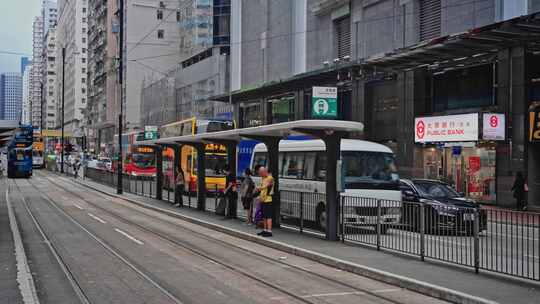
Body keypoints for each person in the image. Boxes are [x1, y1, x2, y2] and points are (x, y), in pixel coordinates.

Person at [256, 167, 274, 237]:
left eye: (261, 173)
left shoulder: (270, 178)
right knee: (264, 216)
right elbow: (262, 188)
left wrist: (259, 188)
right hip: (263, 199)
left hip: (268, 199)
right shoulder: (263, 178)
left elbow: (265, 186)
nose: (260, 175)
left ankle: (269, 231)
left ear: (264, 171)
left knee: (268, 216)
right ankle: (265, 230)